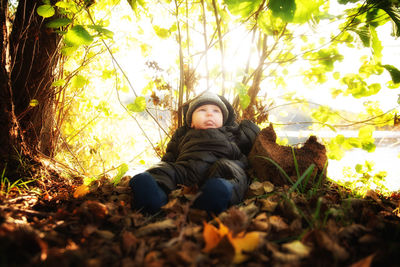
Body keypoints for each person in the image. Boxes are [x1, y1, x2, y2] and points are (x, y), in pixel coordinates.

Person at [129, 91, 260, 215]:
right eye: (202, 110)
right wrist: (163, 169)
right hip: (185, 171)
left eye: (216, 111)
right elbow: (170, 155)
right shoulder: (182, 134)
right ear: (191, 121)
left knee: (232, 173)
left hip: (218, 170)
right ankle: (154, 196)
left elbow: (249, 137)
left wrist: (251, 128)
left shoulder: (231, 133)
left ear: (224, 120)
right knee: (164, 169)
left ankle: (214, 197)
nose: (209, 114)